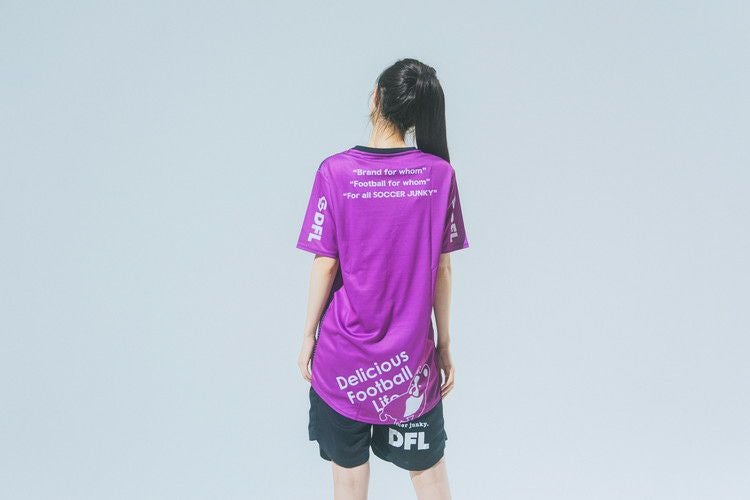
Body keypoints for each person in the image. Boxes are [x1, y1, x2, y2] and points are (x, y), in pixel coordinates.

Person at [295, 58, 469, 500]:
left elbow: (325, 264)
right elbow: (443, 270)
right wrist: (445, 344)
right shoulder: (440, 175)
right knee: (430, 476)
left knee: (348, 481)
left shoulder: (335, 172)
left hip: (342, 362)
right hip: (410, 365)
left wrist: (308, 335)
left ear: (376, 97)